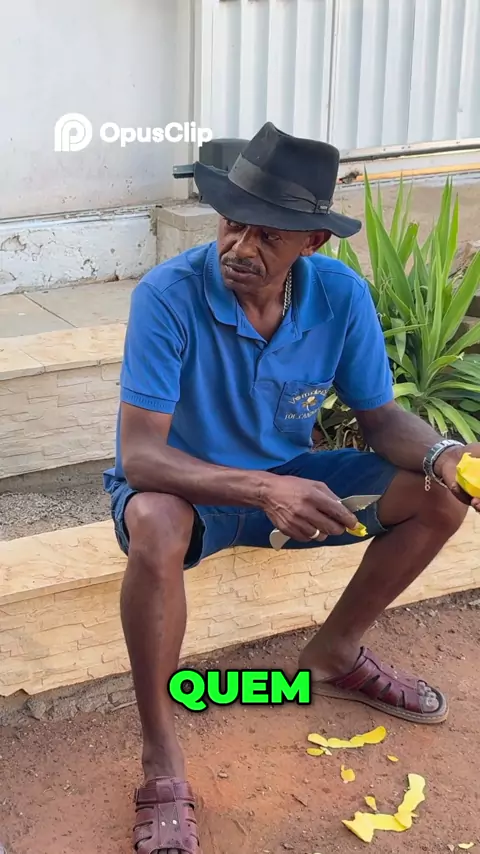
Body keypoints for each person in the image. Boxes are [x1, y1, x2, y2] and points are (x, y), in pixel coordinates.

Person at [103, 122, 479, 853]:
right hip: (189, 489)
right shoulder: (167, 296)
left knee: (438, 496)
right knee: (153, 520)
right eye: (232, 223)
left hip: (288, 483)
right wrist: (259, 490)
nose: (240, 247)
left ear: (312, 242)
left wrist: (444, 454)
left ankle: (335, 652)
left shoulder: (339, 296)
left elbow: (380, 420)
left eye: (268, 235)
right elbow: (141, 457)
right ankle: (161, 757)